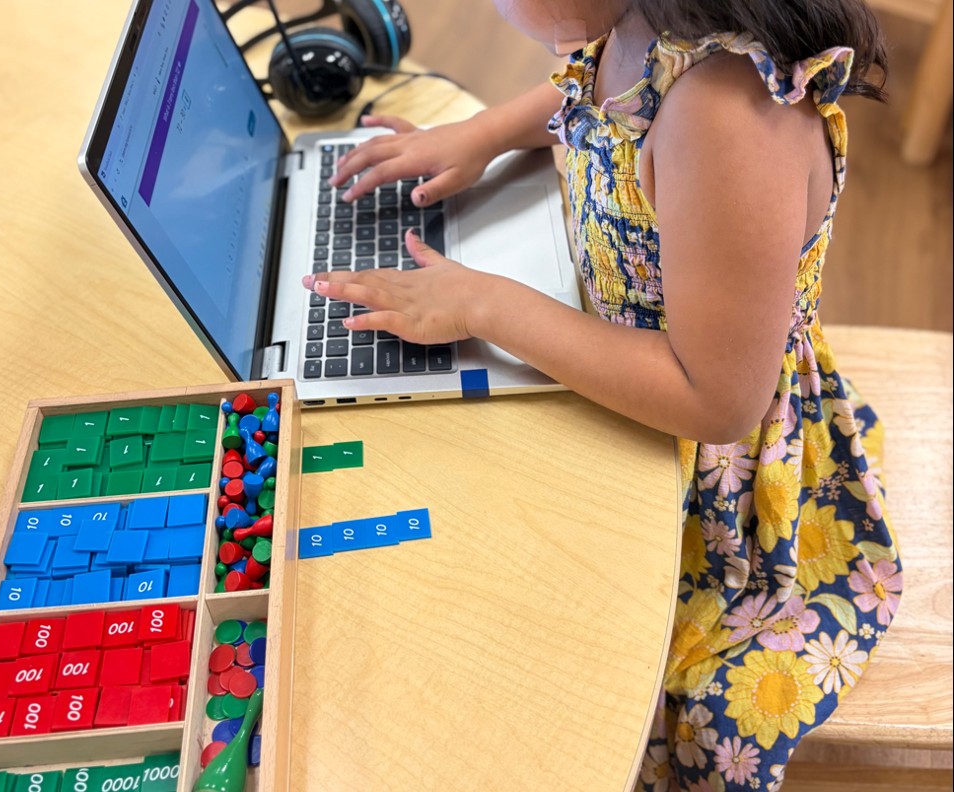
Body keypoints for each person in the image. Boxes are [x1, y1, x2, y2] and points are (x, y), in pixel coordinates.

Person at [302, 1, 904, 787]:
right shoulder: (640, 25)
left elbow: (719, 401)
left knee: (555, 669)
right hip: (626, 366)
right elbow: (595, 98)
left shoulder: (727, 120)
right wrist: (483, 134)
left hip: (711, 478)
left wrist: (487, 307)